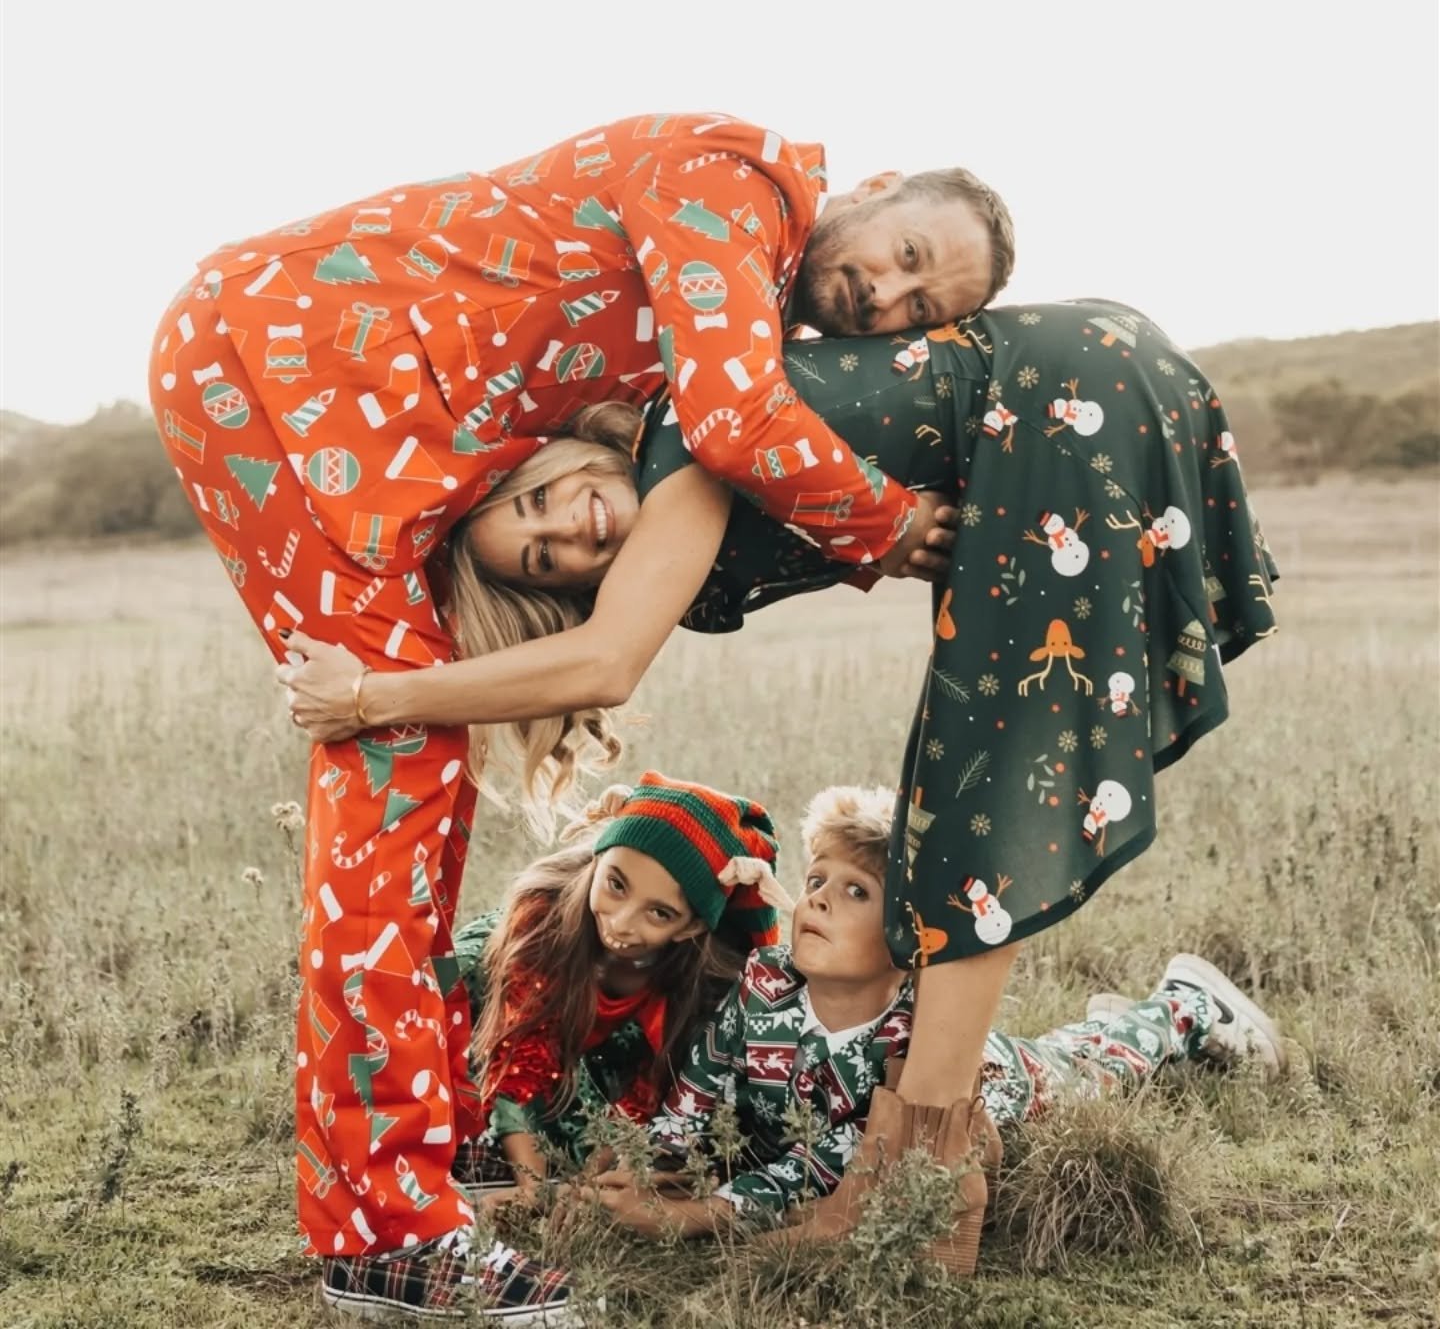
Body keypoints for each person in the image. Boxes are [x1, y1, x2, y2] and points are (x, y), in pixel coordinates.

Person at [148, 112, 1012, 1318]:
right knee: (391, 780)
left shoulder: (740, 301)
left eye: (922, 312)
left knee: (417, 780)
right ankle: (383, 1227)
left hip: (371, 406)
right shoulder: (734, 184)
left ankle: (396, 1181)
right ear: (868, 189)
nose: (888, 299)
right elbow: (735, 421)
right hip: (294, 370)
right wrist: (887, 529)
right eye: (908, 253)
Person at [281, 298, 1279, 1272]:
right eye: (543, 563)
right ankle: (919, 1163)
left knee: (984, 793)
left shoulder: (678, 436)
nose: (566, 534)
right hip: (1049, 399)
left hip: (1057, 392)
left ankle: (915, 1179)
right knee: (975, 785)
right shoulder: (660, 541)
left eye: (537, 500)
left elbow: (605, 663)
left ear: (560, 454)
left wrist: (370, 695)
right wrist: (646, 1168)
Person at [575, 783, 1285, 1265]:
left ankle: (1182, 1006)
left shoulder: (911, 1040)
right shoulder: (764, 985)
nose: (816, 900)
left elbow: (830, 1165)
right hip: (807, 1127)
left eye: (856, 893)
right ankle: (1118, 1023)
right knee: (1084, 1048)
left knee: (1090, 1069)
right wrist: (653, 1159)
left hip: (999, 1083)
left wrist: (697, 1215)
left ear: (909, 943)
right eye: (817, 880)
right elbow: (700, 1091)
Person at [450, 773, 790, 1196]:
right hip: (485, 1031)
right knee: (452, 1128)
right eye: (616, 884)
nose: (621, 924)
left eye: (659, 913)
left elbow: (650, 1094)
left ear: (692, 927)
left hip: (587, 1064)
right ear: (598, 858)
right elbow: (519, 1060)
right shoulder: (540, 920)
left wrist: (587, 1187)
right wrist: (532, 1190)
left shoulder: (704, 978)